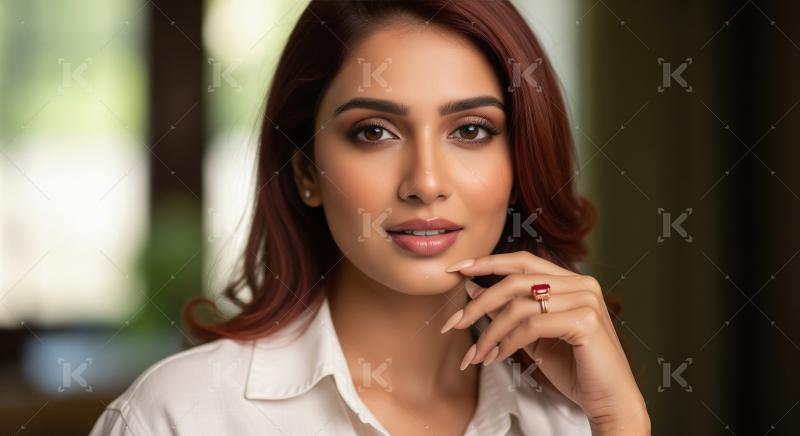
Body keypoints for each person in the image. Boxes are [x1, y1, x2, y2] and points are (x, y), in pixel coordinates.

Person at [90, 1, 650, 434]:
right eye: (374, 132)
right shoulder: (178, 417)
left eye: (471, 130)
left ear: (518, 162)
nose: (426, 182)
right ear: (306, 170)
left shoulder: (577, 417)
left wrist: (621, 423)